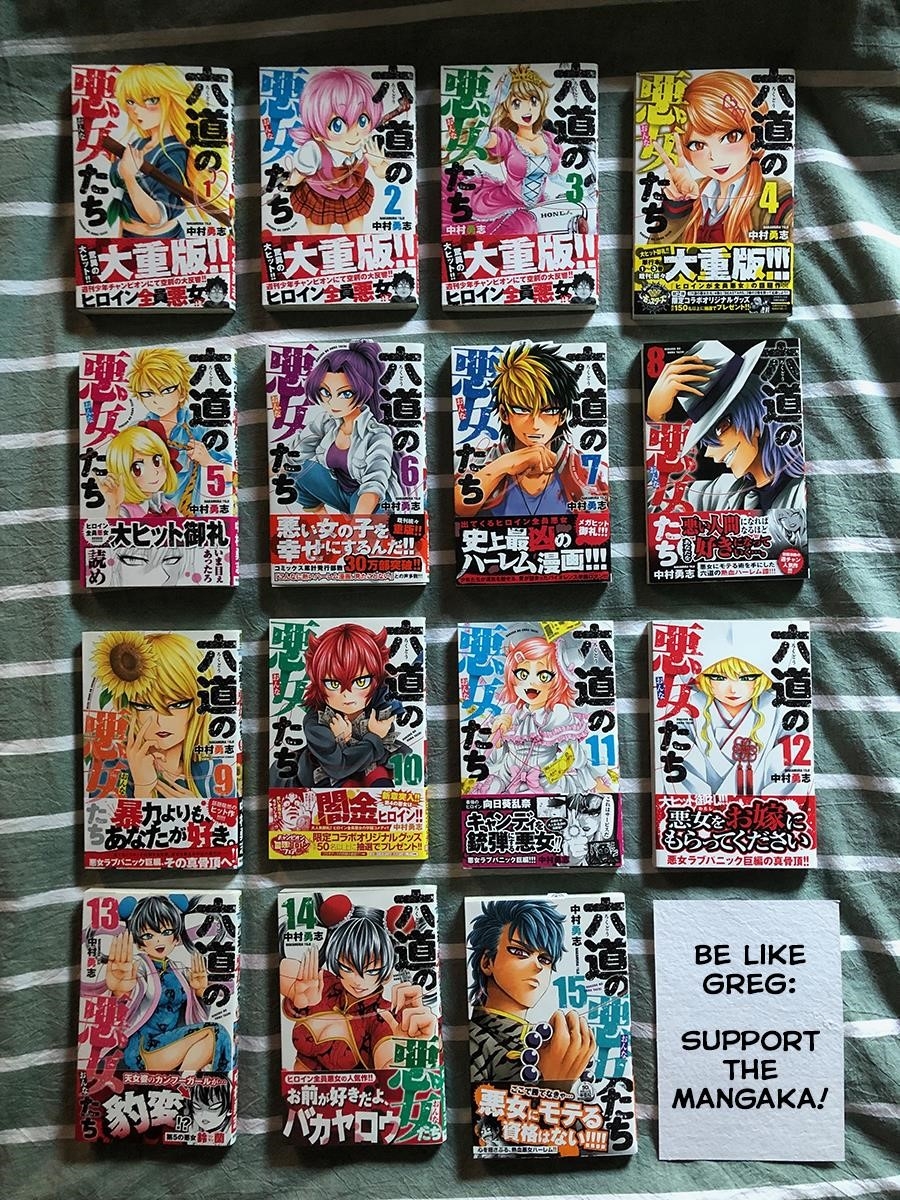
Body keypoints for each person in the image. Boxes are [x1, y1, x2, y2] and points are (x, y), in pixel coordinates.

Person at [646, 339, 805, 513]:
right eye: (705, 439)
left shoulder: (800, 492)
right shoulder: (722, 492)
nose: (710, 453)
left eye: (719, 429)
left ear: (755, 415)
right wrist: (655, 420)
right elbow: (655, 505)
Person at [280, 898, 437, 1072]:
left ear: (386, 972)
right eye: (347, 968)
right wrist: (298, 996)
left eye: (371, 971)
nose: (358, 981)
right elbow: (285, 969)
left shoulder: (384, 1016)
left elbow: (388, 1065)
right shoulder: (322, 984)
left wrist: (408, 1051)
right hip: (296, 1087)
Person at [454, 341, 600, 519]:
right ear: (504, 414)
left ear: (562, 416)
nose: (535, 423)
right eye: (522, 410)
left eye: (548, 411)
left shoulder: (584, 466)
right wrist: (504, 464)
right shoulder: (475, 459)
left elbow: (599, 514)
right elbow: (460, 507)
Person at [652, 70, 793, 245]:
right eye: (698, 145)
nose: (715, 157)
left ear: (754, 133)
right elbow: (655, 256)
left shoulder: (776, 193)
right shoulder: (692, 192)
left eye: (731, 137)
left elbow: (782, 255)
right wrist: (678, 208)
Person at [96, 894, 231, 1075]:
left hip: (172, 1041)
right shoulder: (137, 967)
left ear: (176, 938)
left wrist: (200, 993)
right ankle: (187, 1084)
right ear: (140, 944)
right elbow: (125, 1003)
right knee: (216, 1032)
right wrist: (120, 992)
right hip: (143, 1047)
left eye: (166, 932)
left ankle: (185, 1084)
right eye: (148, 935)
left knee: (216, 1037)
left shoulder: (179, 969)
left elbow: (193, 1014)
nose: (158, 940)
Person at [467, 899, 595, 1088]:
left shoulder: (549, 1041)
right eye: (519, 952)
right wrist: (554, 1084)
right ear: (487, 962)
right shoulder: (474, 1041)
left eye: (545, 959)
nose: (538, 966)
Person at [88, 630, 228, 800]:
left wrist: (196, 809)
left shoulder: (214, 772)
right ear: (130, 709)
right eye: (144, 706)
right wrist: (142, 791)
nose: (160, 721)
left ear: (198, 705)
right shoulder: (110, 769)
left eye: (177, 705)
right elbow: (103, 815)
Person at [468, 635, 613, 797]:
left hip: (545, 781)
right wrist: (498, 739)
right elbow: (493, 759)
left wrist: (558, 770)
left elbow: (575, 757)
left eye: (543, 676)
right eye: (523, 674)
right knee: (488, 791)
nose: (531, 683)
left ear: (559, 681)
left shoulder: (557, 715)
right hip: (506, 777)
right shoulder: (511, 712)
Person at [274, 623, 408, 791]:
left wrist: (351, 745)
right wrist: (373, 737)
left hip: (371, 774)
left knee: (380, 773)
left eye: (361, 682)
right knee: (345, 784)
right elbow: (338, 768)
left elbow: (383, 753)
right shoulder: (316, 721)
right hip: (327, 782)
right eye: (333, 684)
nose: (346, 695)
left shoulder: (379, 706)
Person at [109, 64, 225, 239]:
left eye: (150, 100)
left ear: (170, 100)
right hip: (127, 235)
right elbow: (121, 191)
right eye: (131, 102)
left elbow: (156, 217)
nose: (136, 110)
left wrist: (130, 178)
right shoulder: (139, 143)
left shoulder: (173, 153)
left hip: (161, 240)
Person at [451, 64, 564, 237]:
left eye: (533, 101)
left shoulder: (550, 139)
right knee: (525, 229)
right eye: (517, 103)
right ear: (508, 111)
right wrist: (493, 102)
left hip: (538, 206)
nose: (527, 110)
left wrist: (580, 188)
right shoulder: (507, 139)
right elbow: (479, 139)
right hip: (507, 203)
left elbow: (555, 177)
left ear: (541, 104)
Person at [289, 341, 397, 515]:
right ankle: (323, 523)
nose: (332, 403)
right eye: (325, 392)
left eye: (345, 394)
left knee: (372, 515)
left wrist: (357, 526)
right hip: (340, 493)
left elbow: (374, 485)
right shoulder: (326, 421)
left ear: (365, 392)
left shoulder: (377, 434)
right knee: (295, 468)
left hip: (370, 501)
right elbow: (296, 454)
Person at [669, 654, 797, 797]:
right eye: (719, 678)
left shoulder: (777, 709)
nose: (733, 689)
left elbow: (792, 763)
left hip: (764, 807)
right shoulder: (689, 708)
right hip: (701, 808)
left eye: (746, 678)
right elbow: (680, 765)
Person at [126, 347, 233, 516]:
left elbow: (231, 475)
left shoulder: (199, 426)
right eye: (147, 393)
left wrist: (207, 461)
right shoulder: (137, 431)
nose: (156, 400)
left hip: (194, 515)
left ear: (181, 390)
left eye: (166, 390)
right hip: (147, 516)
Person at [284, 68, 388, 234]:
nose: (354, 133)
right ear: (316, 132)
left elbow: (383, 173)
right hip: (318, 198)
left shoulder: (366, 144)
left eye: (362, 121)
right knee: (317, 242)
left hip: (353, 196)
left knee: (357, 238)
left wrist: (379, 163)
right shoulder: (313, 151)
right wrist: (288, 181)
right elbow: (299, 174)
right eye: (337, 125)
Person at [99, 423, 179, 520]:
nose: (154, 472)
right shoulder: (124, 510)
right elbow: (111, 527)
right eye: (137, 468)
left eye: (157, 461)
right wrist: (113, 508)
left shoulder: (168, 506)